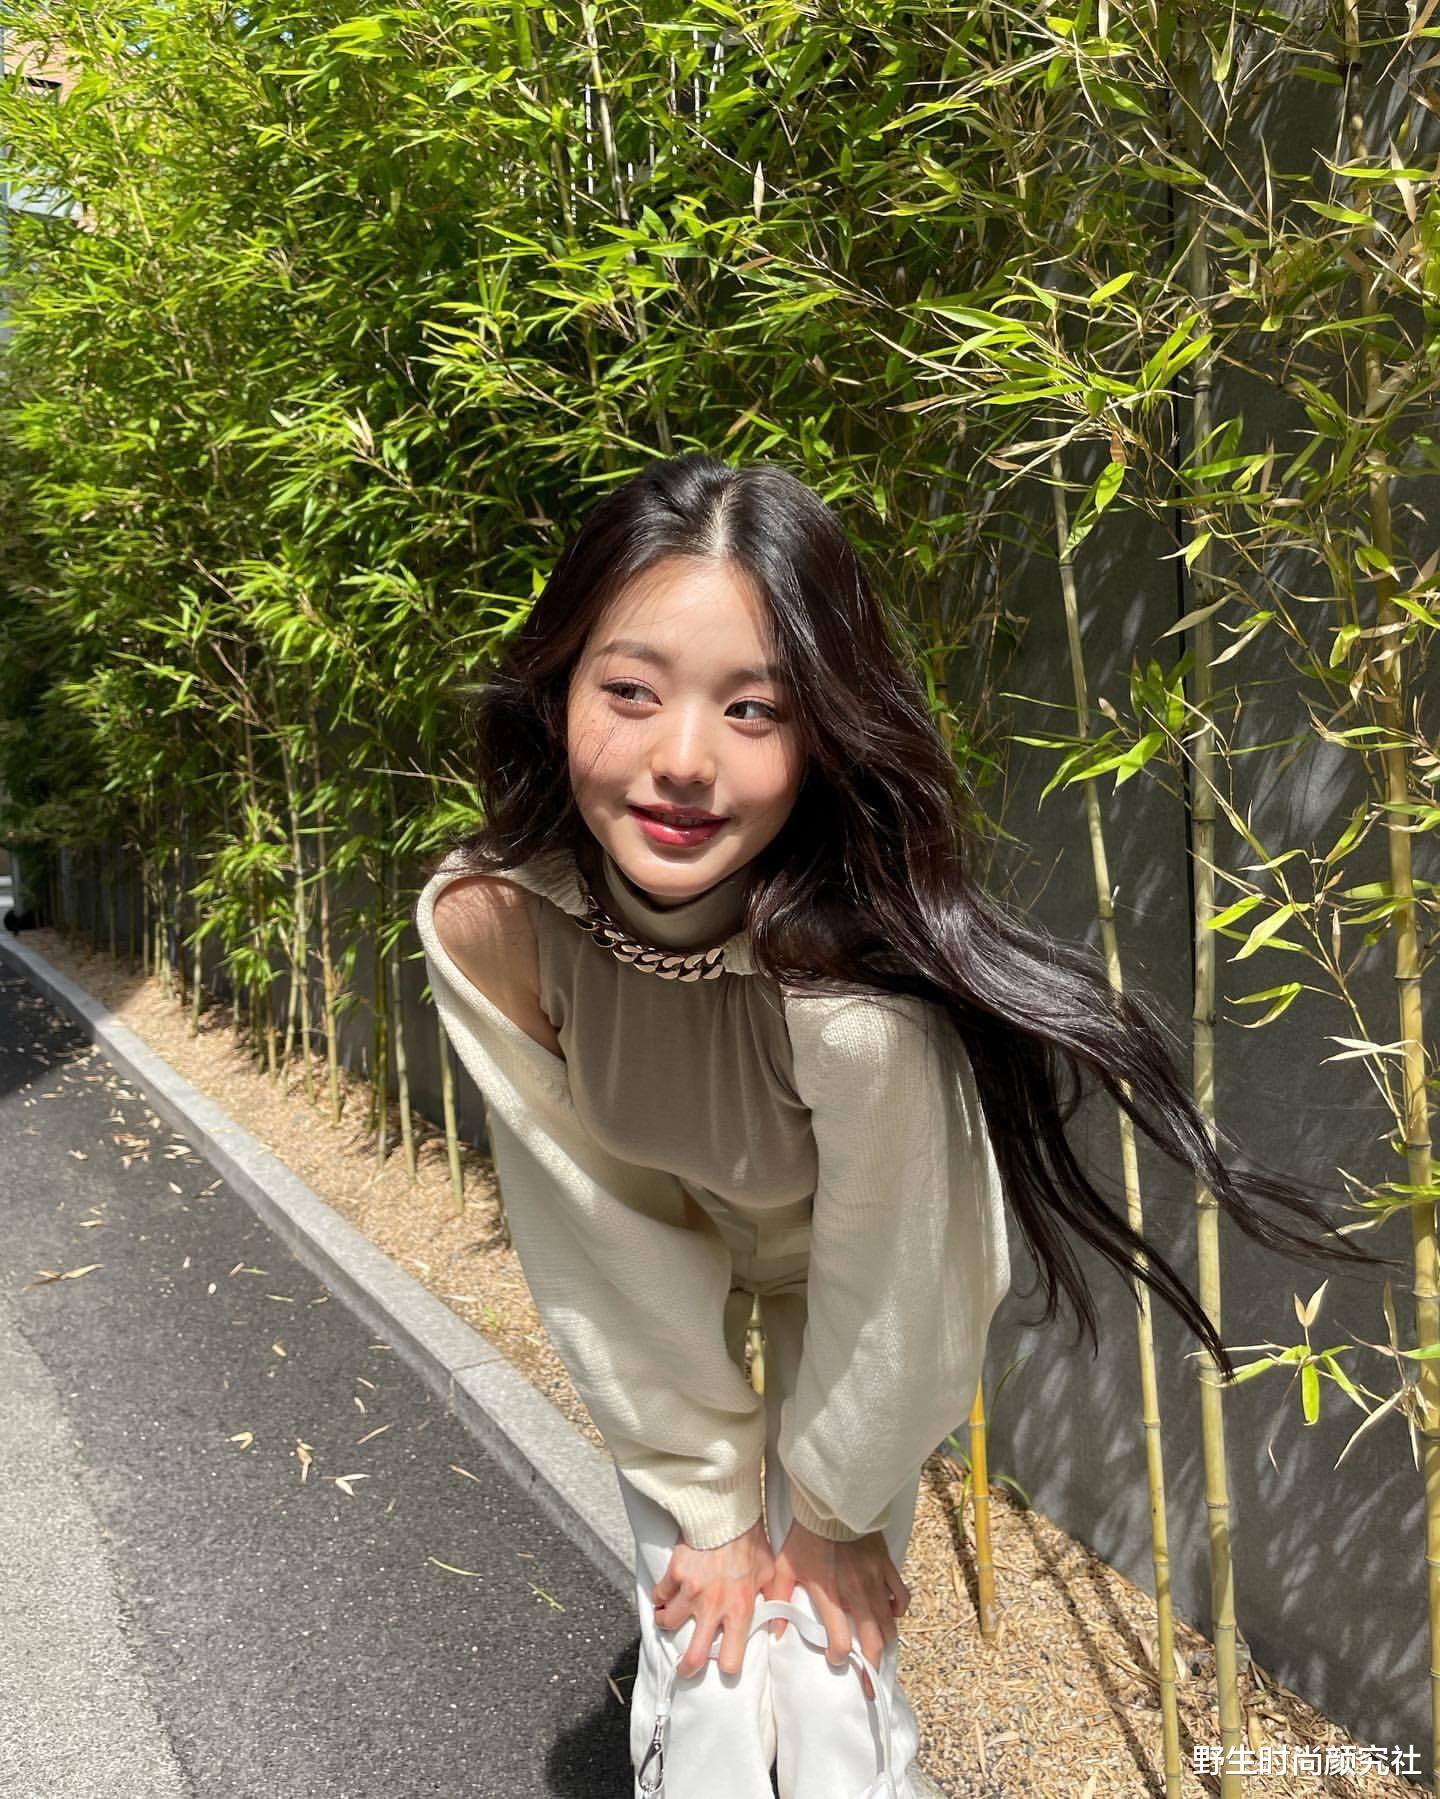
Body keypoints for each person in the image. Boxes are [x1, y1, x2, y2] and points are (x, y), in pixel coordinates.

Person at [413, 452, 1390, 1799]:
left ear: (822, 732)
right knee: (705, 1671)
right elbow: (599, 1232)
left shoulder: (854, 989)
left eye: (755, 709)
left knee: (827, 1677)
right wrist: (709, 1507)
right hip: (672, 1265)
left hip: (857, 1281)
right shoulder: (493, 925)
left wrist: (829, 1508)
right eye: (629, 691)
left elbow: (901, 1275)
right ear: (557, 689)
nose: (682, 760)